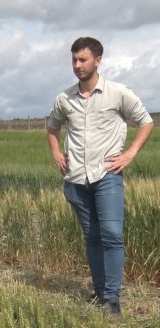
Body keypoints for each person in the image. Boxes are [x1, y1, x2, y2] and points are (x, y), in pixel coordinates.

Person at [47, 37, 154, 317]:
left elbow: (146, 121)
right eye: (74, 60)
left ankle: (112, 298)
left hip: (107, 176)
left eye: (82, 60)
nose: (77, 65)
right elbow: (52, 127)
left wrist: (129, 154)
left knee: (112, 235)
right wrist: (57, 153)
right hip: (76, 179)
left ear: (98, 60)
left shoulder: (118, 93)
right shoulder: (64, 99)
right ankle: (99, 293)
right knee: (92, 236)